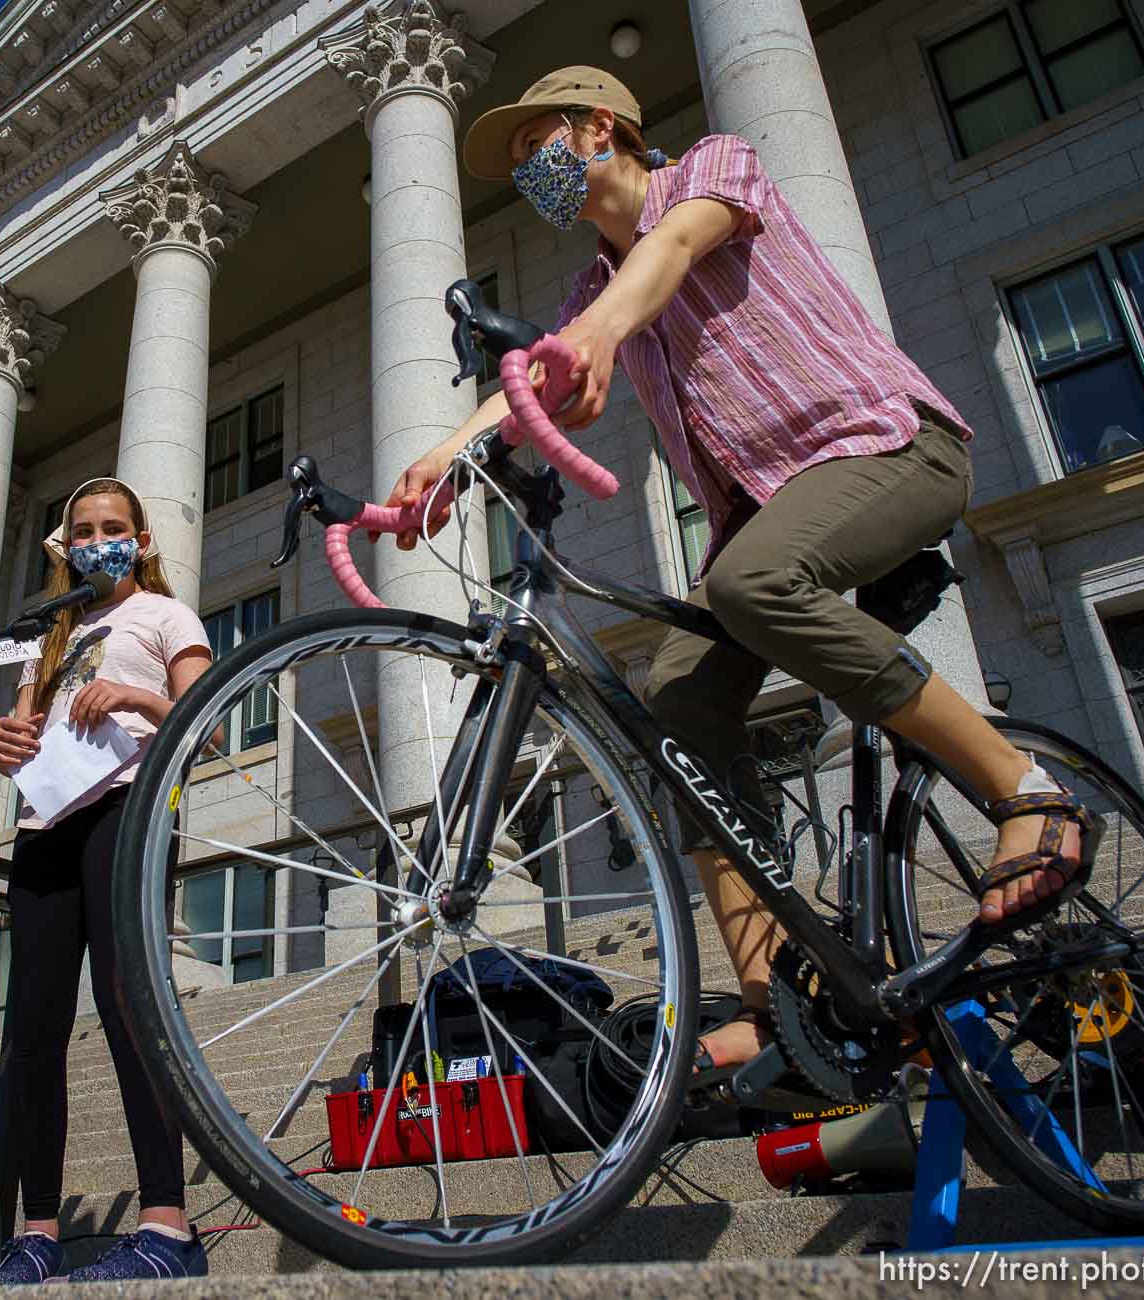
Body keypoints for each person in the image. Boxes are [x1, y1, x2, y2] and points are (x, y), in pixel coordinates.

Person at [388, 66, 1093, 1081]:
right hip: (767, 519)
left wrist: (599, 336)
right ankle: (782, 1008)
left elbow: (672, 250)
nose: (526, 176)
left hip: (888, 449)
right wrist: (446, 455)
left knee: (750, 581)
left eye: (533, 146)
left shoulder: (716, 167)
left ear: (599, 128)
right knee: (673, 695)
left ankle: (1028, 791)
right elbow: (541, 368)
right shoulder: (592, 289)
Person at [0, 477, 216, 1283]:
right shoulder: (49, 634)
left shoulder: (165, 615)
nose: (98, 540)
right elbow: (25, 728)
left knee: (126, 1004)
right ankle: (37, 1232)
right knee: (32, 1032)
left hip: (128, 807)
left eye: (114, 527)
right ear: (64, 547)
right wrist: (7, 740)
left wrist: (138, 696)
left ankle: (167, 1226)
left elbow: (205, 721)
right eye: (83, 530)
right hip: (44, 826)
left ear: (142, 541)